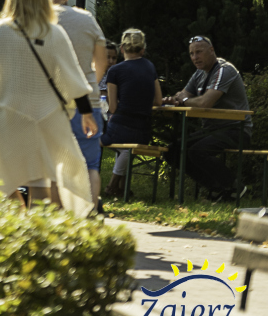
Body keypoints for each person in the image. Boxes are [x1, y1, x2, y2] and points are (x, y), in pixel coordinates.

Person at [0, 0, 97, 216]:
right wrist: (86, 113)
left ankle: (18, 222)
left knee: (3, 178)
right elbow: (71, 77)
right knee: (40, 178)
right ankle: (38, 228)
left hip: (7, 117)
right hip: (46, 117)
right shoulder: (53, 32)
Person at [42, 0, 110, 208]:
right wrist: (88, 83)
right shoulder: (86, 19)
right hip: (87, 101)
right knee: (89, 165)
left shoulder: (39, 21)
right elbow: (101, 61)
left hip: (50, 102)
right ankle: (88, 215)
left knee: (52, 166)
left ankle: (57, 218)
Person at [164, 36, 253, 201]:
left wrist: (183, 100)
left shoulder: (224, 70)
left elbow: (205, 103)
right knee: (172, 151)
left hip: (236, 129)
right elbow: (182, 94)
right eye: (191, 54)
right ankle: (216, 188)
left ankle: (234, 186)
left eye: (199, 52)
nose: (195, 57)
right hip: (212, 130)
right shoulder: (199, 73)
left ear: (211, 50)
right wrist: (175, 99)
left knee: (197, 151)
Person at [101, 29, 162, 198]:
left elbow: (113, 107)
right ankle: (120, 188)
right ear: (142, 50)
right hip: (143, 130)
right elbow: (158, 100)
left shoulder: (115, 71)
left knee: (115, 144)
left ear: (121, 49)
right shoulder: (150, 67)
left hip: (120, 127)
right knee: (126, 148)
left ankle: (112, 186)